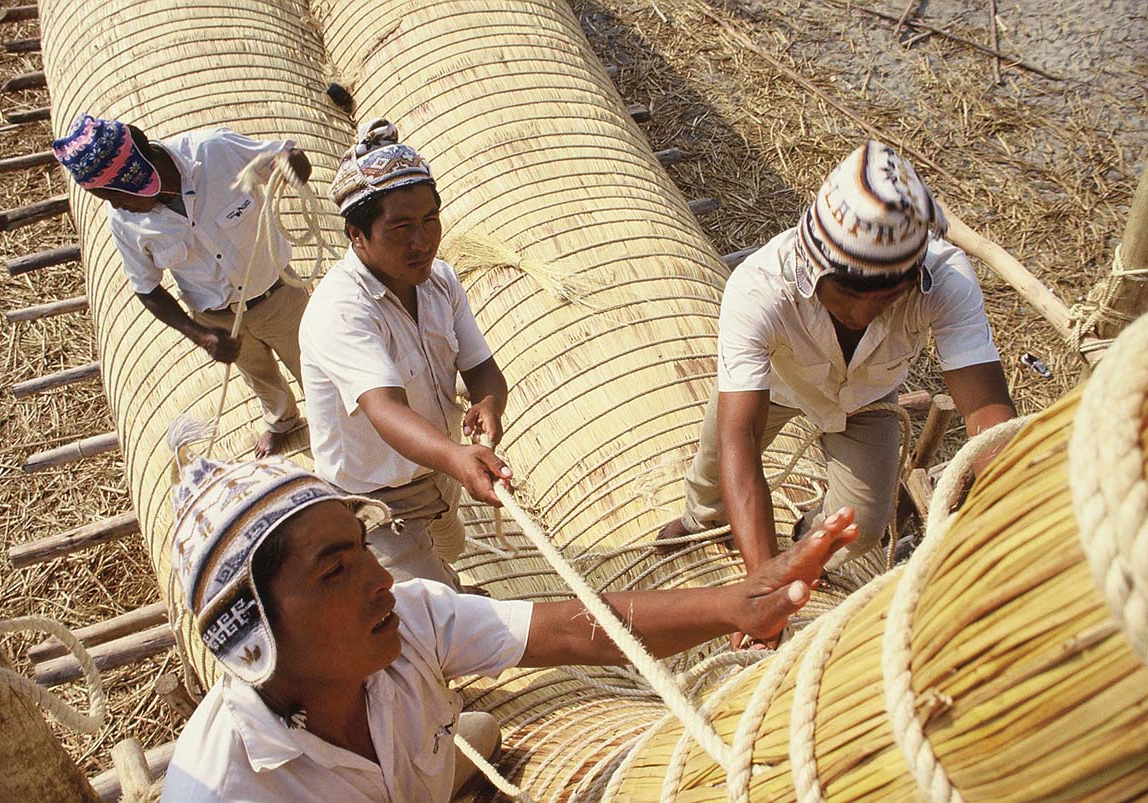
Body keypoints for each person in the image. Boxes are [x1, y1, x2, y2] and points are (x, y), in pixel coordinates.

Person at [159, 437, 859, 802]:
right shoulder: (224, 788)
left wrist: (734, 602)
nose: (380, 579)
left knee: (482, 732)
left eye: (364, 547)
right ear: (253, 632)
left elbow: (565, 629)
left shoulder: (409, 618)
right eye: (335, 569)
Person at [657, 141, 1016, 646]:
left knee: (865, 528)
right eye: (847, 297)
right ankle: (700, 519)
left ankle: (810, 536)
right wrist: (768, 590)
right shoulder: (759, 286)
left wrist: (1016, 501)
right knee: (716, 468)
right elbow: (741, 434)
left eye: (887, 298)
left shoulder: (947, 281)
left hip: (865, 399)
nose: (864, 315)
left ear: (913, 276)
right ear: (813, 268)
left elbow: (985, 414)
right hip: (779, 384)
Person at [300, 119, 509, 588]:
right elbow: (385, 409)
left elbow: (482, 368)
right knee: (435, 619)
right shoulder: (340, 309)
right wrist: (458, 456)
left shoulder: (441, 281)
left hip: (438, 475)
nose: (422, 241)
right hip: (378, 499)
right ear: (357, 235)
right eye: (400, 228)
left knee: (447, 548)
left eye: (429, 220)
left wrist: (489, 403)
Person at [51, 115, 313, 457]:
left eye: (113, 195)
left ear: (138, 178)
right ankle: (282, 421)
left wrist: (291, 165)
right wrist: (199, 334)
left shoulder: (215, 152)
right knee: (258, 375)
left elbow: (291, 159)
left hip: (279, 295)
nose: (116, 205)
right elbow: (147, 289)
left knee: (313, 364)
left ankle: (339, 422)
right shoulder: (126, 222)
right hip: (216, 315)